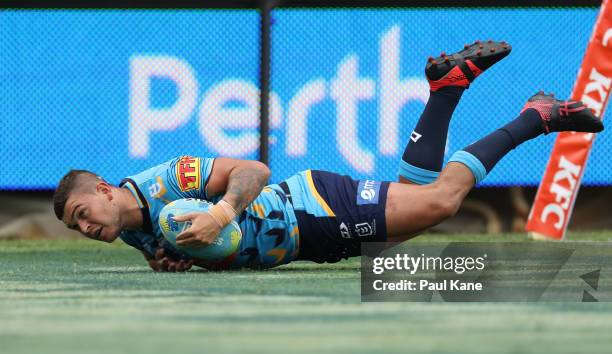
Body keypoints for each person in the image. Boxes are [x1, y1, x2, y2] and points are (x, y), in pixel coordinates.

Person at [53, 40, 604, 272]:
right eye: (79, 227)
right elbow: (172, 251)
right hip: (310, 239)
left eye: (83, 213)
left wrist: (220, 213)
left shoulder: (167, 181)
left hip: (309, 209)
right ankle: (447, 90)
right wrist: (173, 262)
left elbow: (253, 170)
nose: (86, 226)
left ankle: (537, 117)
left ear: (103, 189)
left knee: (441, 202)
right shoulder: (125, 226)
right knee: (415, 200)